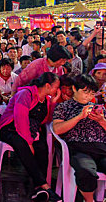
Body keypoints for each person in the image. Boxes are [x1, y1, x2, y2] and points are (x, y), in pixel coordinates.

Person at [0, 72, 62, 201]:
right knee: (23, 146)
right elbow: (20, 119)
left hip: (31, 129)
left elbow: (44, 121)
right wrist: (29, 142)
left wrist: (53, 102)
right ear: (48, 86)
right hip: (10, 128)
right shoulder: (25, 94)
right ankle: (44, 186)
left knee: (42, 147)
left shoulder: (46, 99)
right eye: (56, 86)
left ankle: (39, 189)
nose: (58, 90)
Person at [53, 74, 105, 202]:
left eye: (92, 93)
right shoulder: (63, 107)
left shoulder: (99, 108)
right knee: (86, 172)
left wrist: (102, 121)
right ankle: (89, 200)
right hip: (79, 148)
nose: (89, 96)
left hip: (101, 149)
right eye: (85, 92)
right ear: (75, 89)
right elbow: (57, 129)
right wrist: (78, 117)